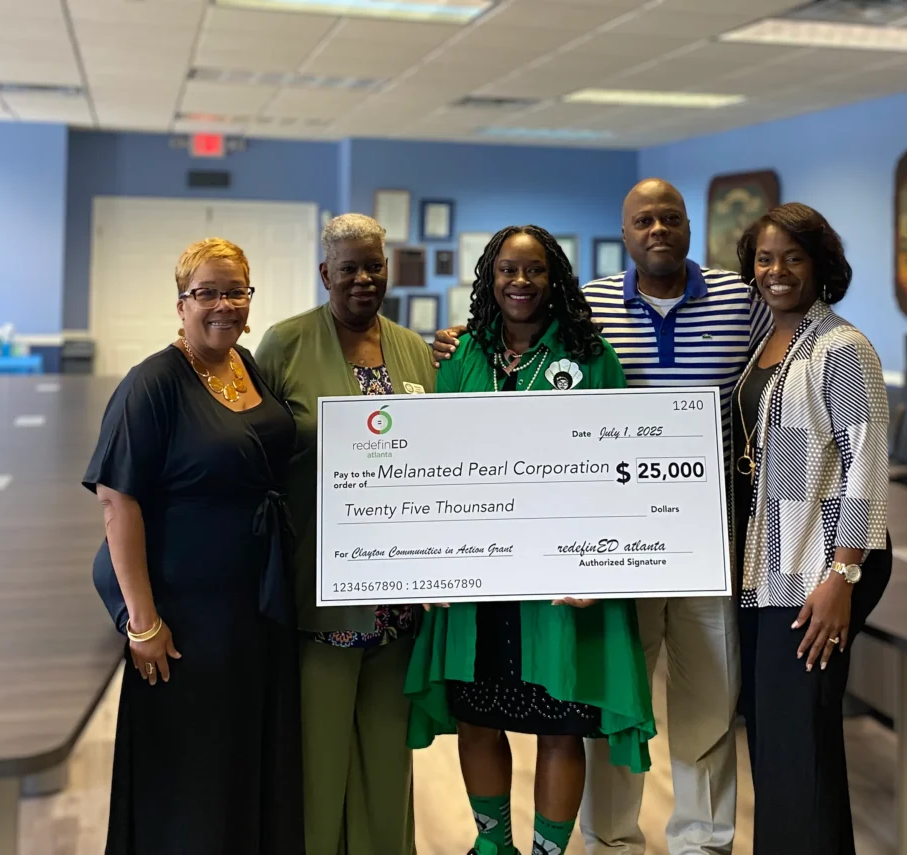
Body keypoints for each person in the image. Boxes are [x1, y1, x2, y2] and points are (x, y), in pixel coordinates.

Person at [433, 180, 772, 855]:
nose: (657, 228)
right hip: (562, 558)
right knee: (605, 690)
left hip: (696, 536)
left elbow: (784, 346)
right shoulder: (577, 313)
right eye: (643, 219)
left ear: (687, 225)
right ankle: (608, 837)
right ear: (624, 232)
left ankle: (699, 840)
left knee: (699, 696)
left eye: (670, 218)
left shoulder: (740, 300)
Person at [405, 225, 656, 855]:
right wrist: (429, 558)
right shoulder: (462, 355)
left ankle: (547, 851)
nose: (521, 283)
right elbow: (433, 463)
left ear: (555, 279)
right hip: (477, 576)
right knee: (478, 716)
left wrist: (599, 565)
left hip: (559, 580)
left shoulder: (591, 355)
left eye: (535, 271)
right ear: (490, 279)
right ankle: (493, 844)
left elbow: (618, 464)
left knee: (558, 725)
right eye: (508, 271)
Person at [82, 238, 304, 854]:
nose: (223, 304)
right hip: (187, 618)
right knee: (191, 770)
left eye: (236, 291)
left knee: (243, 757)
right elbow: (116, 501)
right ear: (181, 303)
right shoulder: (151, 383)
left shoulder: (246, 364)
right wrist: (143, 623)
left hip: (254, 605)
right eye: (207, 292)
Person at [255, 213, 436, 855]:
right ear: (325, 273)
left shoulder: (414, 350)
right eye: (350, 268)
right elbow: (256, 458)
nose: (364, 278)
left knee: (389, 761)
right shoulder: (285, 344)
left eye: (375, 266)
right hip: (320, 594)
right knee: (318, 763)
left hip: (399, 598)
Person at [733, 203, 891, 854]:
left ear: (821, 264)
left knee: (802, 743)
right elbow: (782, 457)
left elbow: (866, 465)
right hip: (771, 563)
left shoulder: (843, 346)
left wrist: (842, 575)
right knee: (771, 738)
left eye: (793, 257)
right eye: (765, 258)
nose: (777, 270)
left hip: (821, 565)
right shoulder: (771, 341)